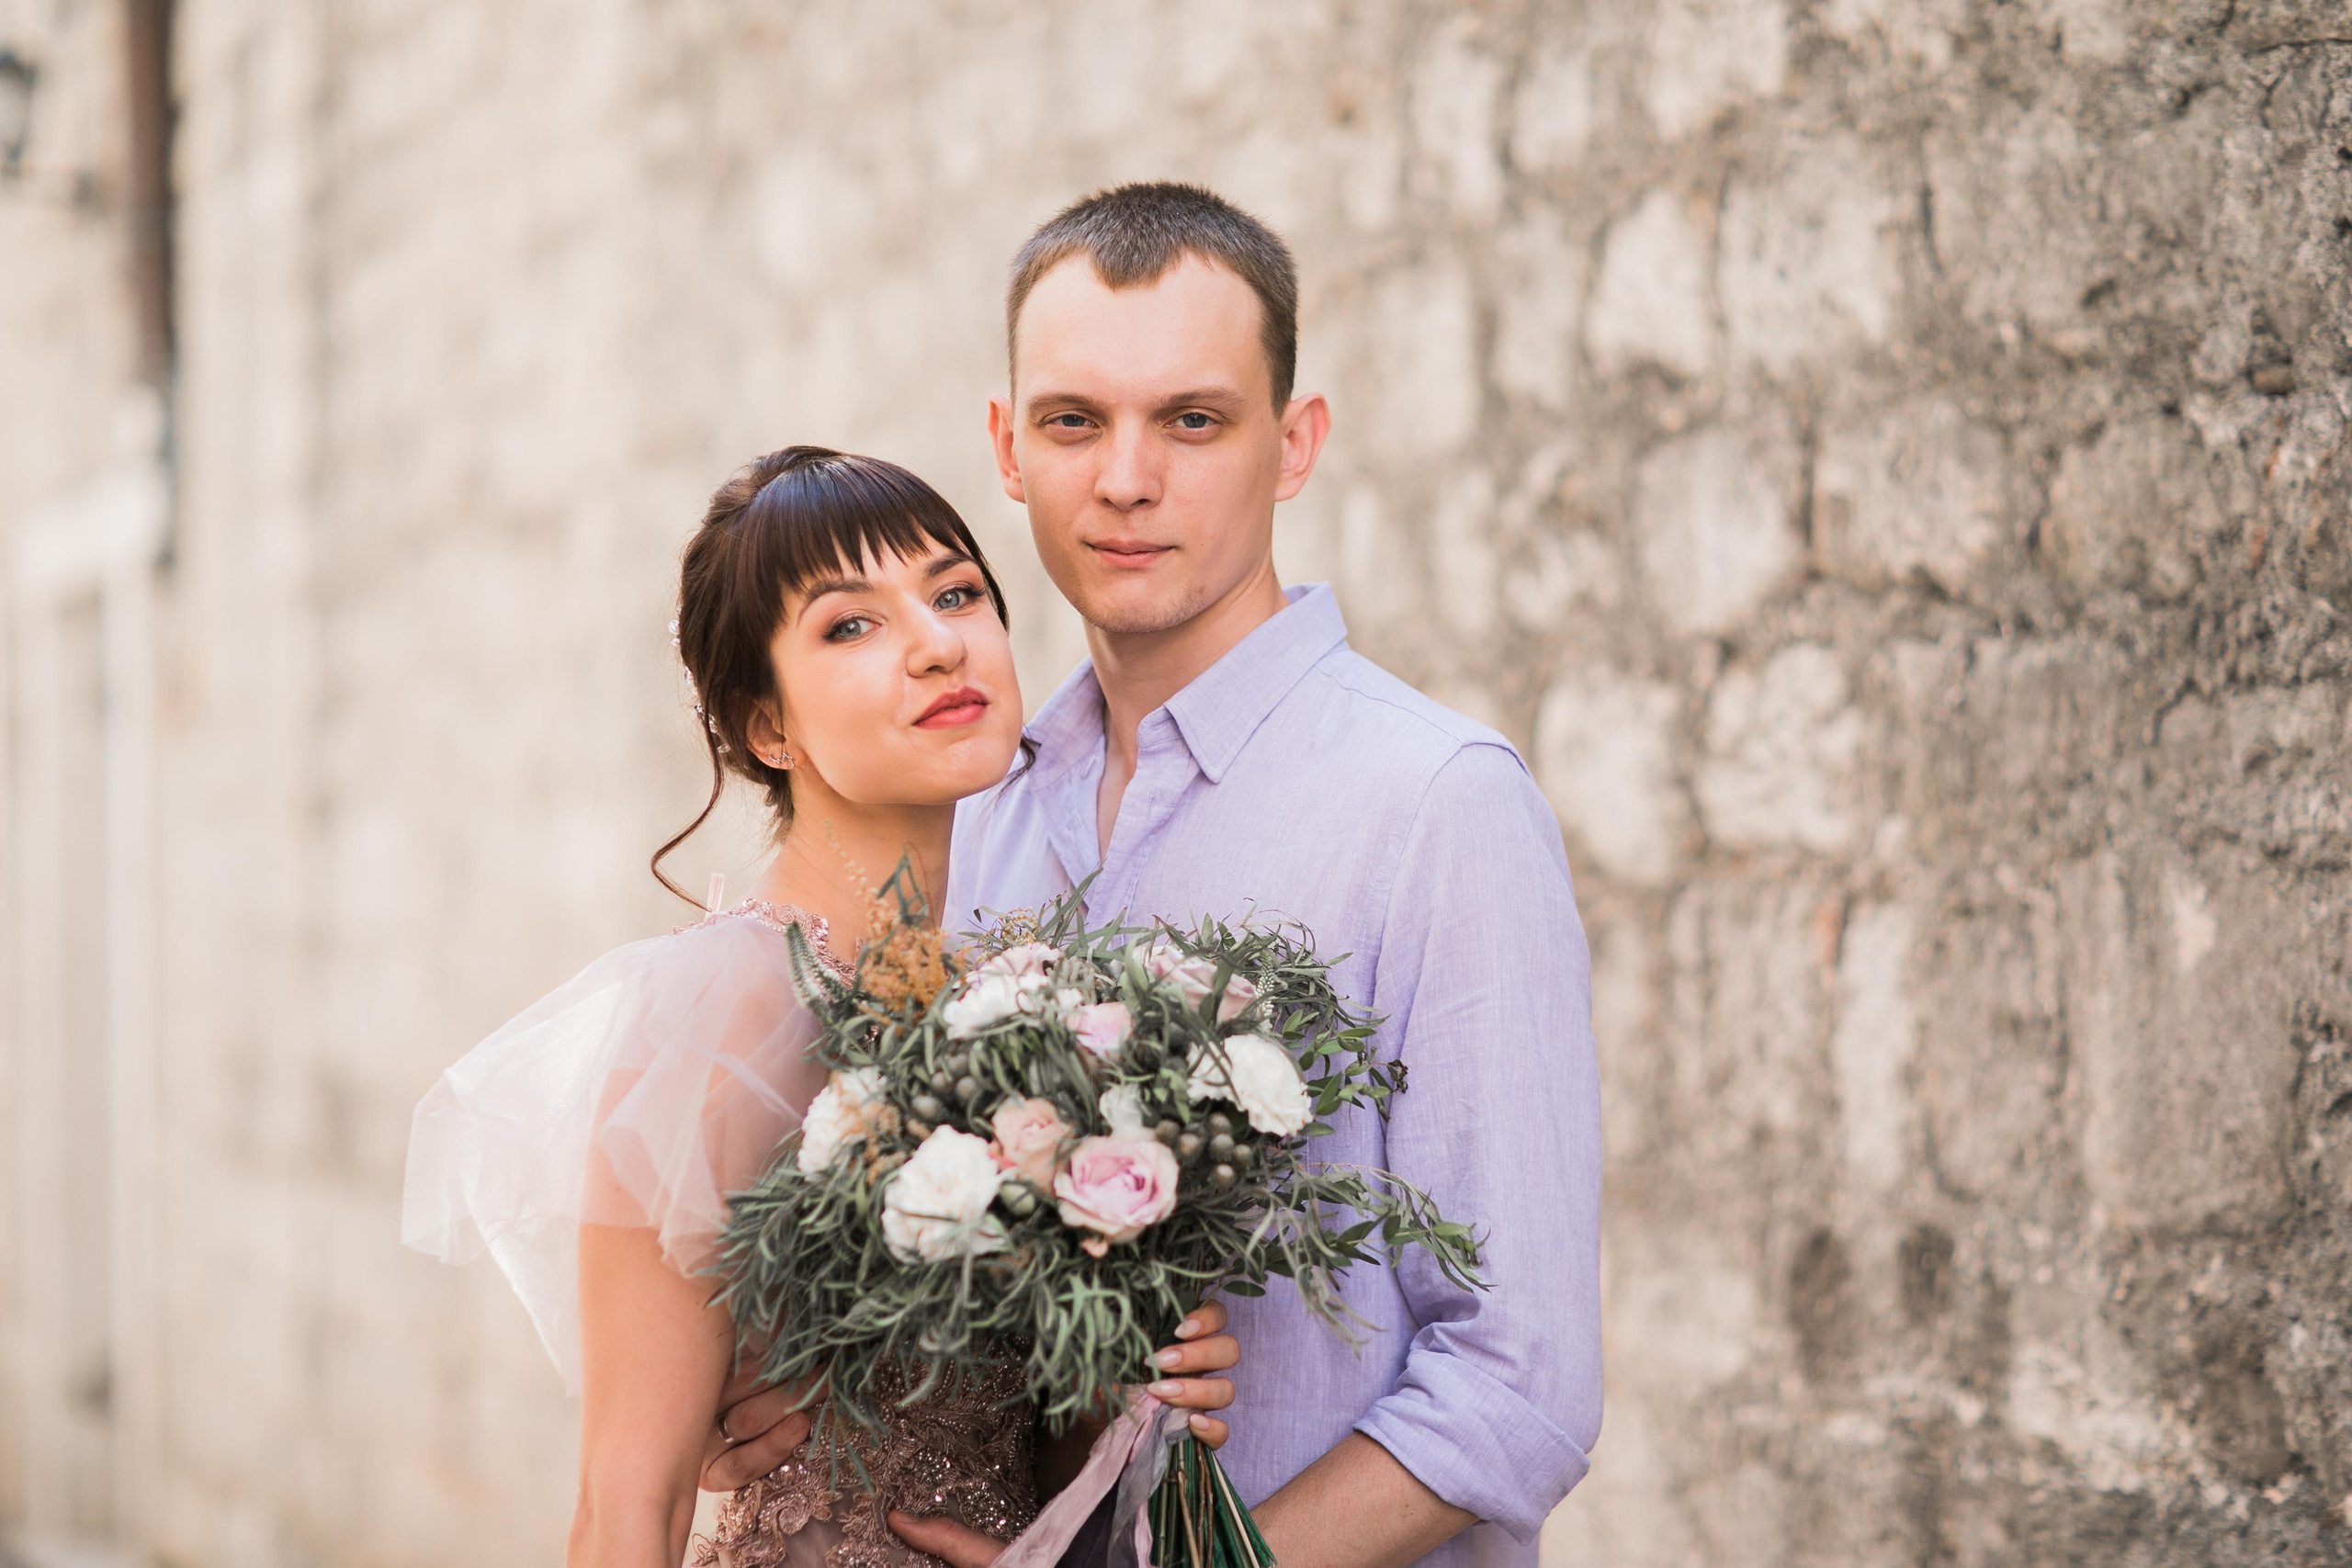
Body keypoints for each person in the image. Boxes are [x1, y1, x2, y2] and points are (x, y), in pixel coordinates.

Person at [712, 184, 1605, 1568]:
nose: (1127, 478)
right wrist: (793, 1389)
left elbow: (1522, 1380)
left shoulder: (1437, 801)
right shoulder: (980, 807)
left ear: (1293, 443)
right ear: (1009, 448)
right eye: (1075, 421)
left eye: (1193, 419)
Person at [401, 447, 1241, 1568]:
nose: (938, 642)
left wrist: (1130, 1367)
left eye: (954, 594)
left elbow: (1025, 1442)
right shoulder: (730, 1005)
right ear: (767, 730)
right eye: (851, 626)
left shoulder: (1022, 1001)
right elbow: (623, 1507)